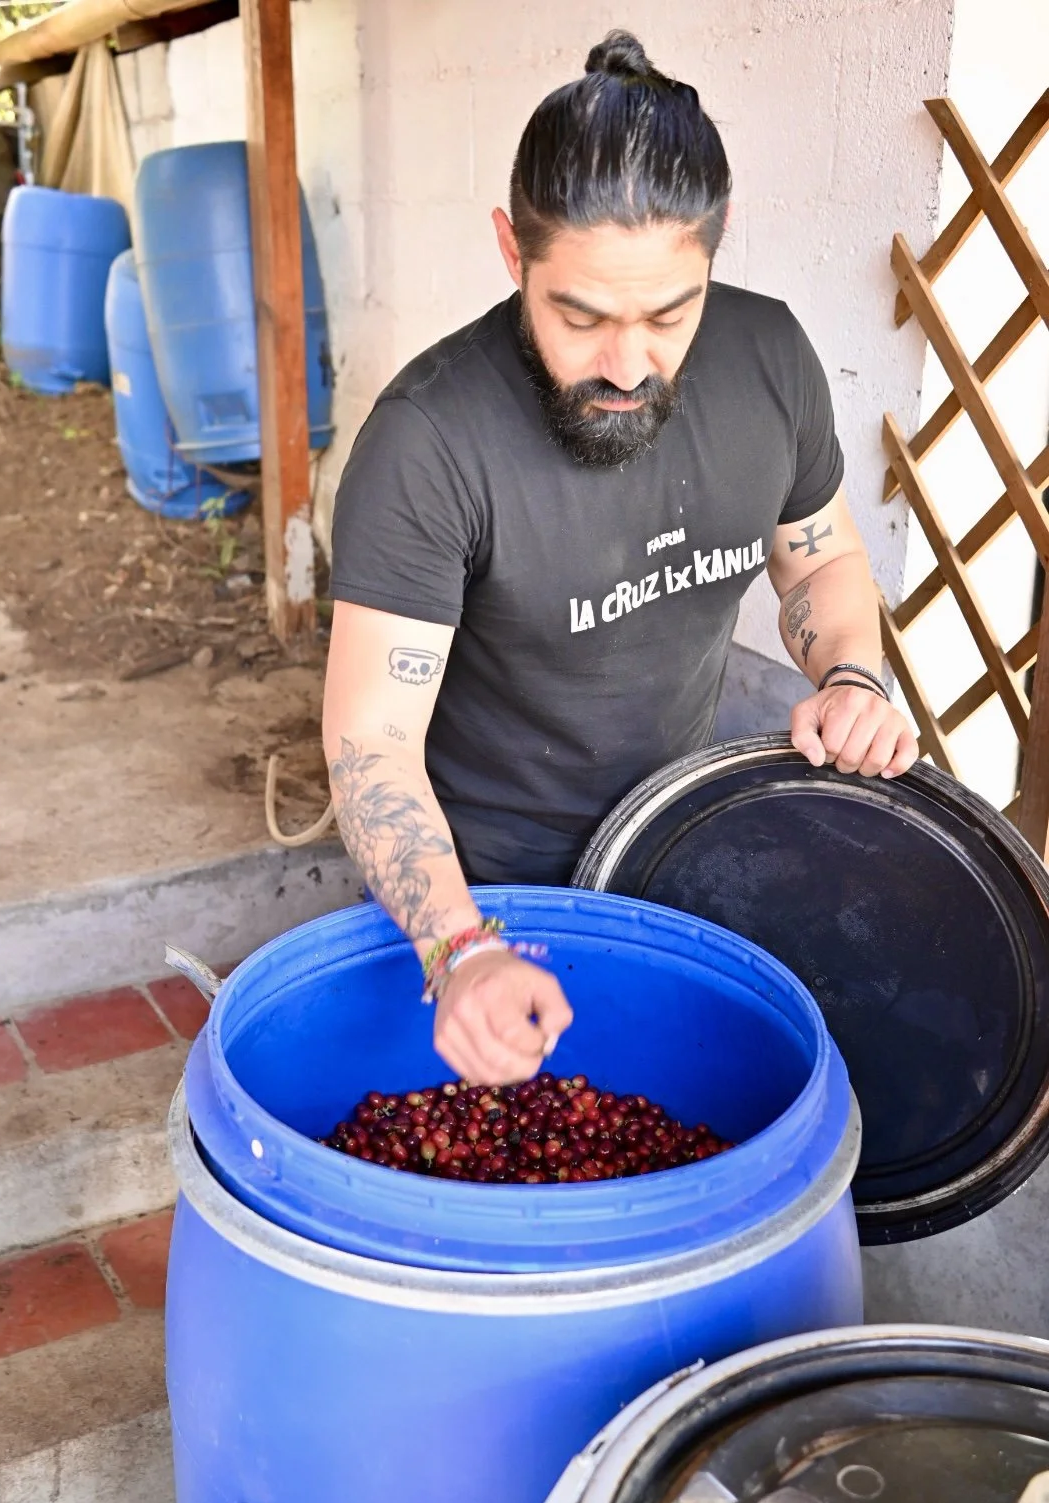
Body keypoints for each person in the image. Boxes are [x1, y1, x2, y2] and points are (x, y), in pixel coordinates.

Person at [323, 29, 918, 1087]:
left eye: (667, 314)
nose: (628, 365)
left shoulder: (770, 359)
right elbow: (370, 737)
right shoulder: (429, 438)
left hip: (684, 858)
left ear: (716, 250)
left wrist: (851, 676)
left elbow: (820, 563)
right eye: (581, 315)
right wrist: (458, 950)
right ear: (513, 253)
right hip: (484, 895)